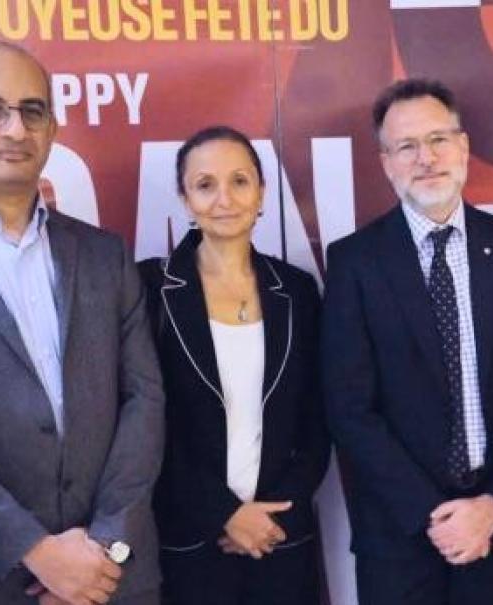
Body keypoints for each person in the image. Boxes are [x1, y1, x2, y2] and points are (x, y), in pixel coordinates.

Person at [321, 78, 493, 605]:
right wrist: (433, 517)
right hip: (399, 535)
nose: (425, 158)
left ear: (463, 147)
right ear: (386, 161)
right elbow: (349, 410)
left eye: (437, 139)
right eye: (406, 146)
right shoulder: (354, 263)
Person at [0, 41, 165, 604]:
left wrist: (104, 552)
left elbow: (144, 400)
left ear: (53, 130)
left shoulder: (106, 255)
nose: (15, 129)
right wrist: (36, 551)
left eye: (32, 110)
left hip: (115, 579)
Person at [137, 126, 330, 604]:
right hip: (190, 542)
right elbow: (142, 421)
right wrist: (223, 512)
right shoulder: (148, 289)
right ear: (185, 199)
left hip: (280, 539)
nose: (224, 198)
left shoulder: (297, 290)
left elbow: (318, 416)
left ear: (261, 191)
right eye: (205, 185)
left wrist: (272, 515)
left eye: (240, 181)